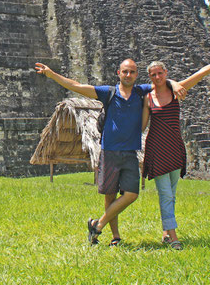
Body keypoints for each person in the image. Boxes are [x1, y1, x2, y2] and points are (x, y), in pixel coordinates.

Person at [34, 58, 186, 246]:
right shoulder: (109, 93)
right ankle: (115, 237)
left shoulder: (140, 92)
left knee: (131, 194)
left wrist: (175, 82)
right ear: (119, 73)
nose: (128, 75)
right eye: (125, 71)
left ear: (136, 75)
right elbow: (78, 86)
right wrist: (52, 75)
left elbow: (161, 81)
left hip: (130, 152)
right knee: (110, 195)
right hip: (110, 151)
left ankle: (98, 224)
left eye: (132, 72)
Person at [141, 40, 210, 250]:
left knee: (171, 194)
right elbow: (142, 125)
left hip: (175, 148)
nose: (157, 77)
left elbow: (201, 73)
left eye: (160, 73)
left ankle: (165, 232)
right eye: (153, 75)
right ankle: (173, 237)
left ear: (166, 72)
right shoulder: (147, 98)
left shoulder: (177, 90)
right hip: (157, 149)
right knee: (165, 194)